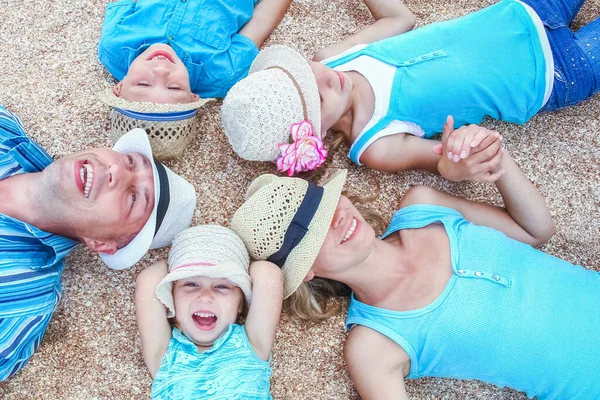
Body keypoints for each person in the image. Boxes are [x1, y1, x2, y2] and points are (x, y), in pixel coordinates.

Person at [229, 121, 600, 399]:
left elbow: (536, 231)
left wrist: (494, 156)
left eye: (326, 205)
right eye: (316, 230)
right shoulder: (373, 344)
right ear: (306, 271)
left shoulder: (422, 206)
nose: (337, 218)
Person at [221, 0, 600, 176]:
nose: (324, 79)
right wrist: (457, 162)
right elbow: (441, 161)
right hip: (552, 75)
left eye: (307, 72)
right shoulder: (374, 144)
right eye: (317, 96)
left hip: (522, 11)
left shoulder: (334, 58)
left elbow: (400, 18)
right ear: (314, 136)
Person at [0, 105, 197, 382]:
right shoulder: (5, 131)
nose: (116, 170)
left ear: (103, 243)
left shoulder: (22, 299)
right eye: (129, 161)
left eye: (133, 199)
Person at [96, 0, 292, 159]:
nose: (161, 71)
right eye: (173, 87)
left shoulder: (113, 47)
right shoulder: (223, 73)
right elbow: (261, 20)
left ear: (119, 87)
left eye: (143, 83)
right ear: (193, 97)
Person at [135, 225, 282, 399]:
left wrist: (234, 261)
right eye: (191, 284)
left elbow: (268, 274)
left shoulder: (252, 344)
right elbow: (147, 281)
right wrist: (178, 258)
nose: (205, 297)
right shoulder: (164, 356)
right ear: (171, 301)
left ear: (240, 305)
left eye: (222, 286)